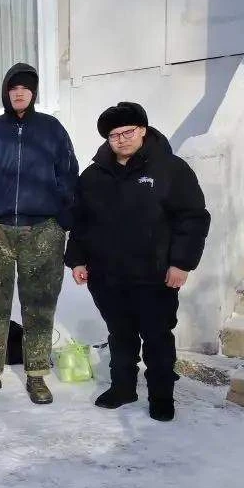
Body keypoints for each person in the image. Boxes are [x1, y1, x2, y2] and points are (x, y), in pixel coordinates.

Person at [66, 103, 210, 421]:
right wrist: (77, 260)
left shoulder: (170, 169)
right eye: (114, 135)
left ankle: (161, 396)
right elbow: (81, 223)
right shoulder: (93, 176)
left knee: (157, 337)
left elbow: (193, 218)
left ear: (143, 130)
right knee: (120, 335)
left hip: (154, 275)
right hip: (108, 275)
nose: (121, 139)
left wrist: (181, 263)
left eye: (128, 132)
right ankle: (123, 388)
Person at [0, 63, 79, 405]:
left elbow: (69, 175)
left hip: (41, 230)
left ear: (34, 92)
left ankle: (37, 374)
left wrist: (63, 220)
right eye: (13, 88)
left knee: (39, 305)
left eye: (26, 87)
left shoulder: (52, 130)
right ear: (6, 93)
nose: (19, 93)